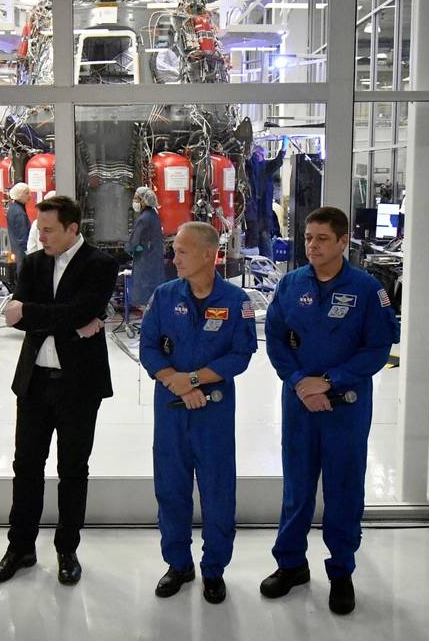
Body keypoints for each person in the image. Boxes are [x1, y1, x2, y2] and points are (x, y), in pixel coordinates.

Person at [261, 206, 398, 615]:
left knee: (343, 489)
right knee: (297, 488)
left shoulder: (367, 290)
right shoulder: (290, 286)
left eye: (322, 238)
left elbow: (377, 348)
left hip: (345, 406)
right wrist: (301, 382)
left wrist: (332, 380)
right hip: (300, 402)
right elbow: (275, 339)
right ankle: (291, 565)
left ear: (343, 242)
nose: (312, 245)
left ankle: (341, 571)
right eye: (308, 237)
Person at [0, 195, 119, 586]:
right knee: (25, 467)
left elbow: (70, 310)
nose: (39, 236)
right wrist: (70, 321)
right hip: (34, 382)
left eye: (47, 230)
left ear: (72, 229)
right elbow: (27, 320)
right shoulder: (34, 263)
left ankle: (67, 549)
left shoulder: (101, 264)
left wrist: (35, 313)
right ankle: (20, 548)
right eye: (38, 228)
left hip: (79, 385)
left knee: (72, 470)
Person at [139, 222, 257, 604]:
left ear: (209, 255)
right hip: (171, 411)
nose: (174, 258)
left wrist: (191, 380)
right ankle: (178, 564)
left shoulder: (238, 301)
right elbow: (149, 348)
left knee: (218, 491)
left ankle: (214, 569)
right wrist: (176, 381)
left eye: (183, 252)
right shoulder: (163, 296)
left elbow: (240, 355)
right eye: (175, 251)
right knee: (171, 489)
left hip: (214, 414)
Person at [124, 186, 165, 307]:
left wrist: (128, 248)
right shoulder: (154, 216)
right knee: (154, 298)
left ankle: (147, 324)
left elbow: (134, 243)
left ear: (143, 200)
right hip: (154, 260)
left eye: (136, 198)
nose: (134, 201)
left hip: (145, 262)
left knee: (144, 299)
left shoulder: (143, 219)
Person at [244, 142, 286, 258]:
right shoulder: (252, 167)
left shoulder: (267, 167)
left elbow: (278, 161)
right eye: (255, 153)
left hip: (263, 209)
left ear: (263, 155)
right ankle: (260, 266)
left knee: (264, 235)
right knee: (256, 232)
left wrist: (283, 148)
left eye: (259, 153)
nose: (257, 156)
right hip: (255, 208)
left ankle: (268, 265)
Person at [7, 182, 31, 270]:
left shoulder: (12, 208)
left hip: (16, 248)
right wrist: (28, 252)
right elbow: (22, 236)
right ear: (19, 194)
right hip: (21, 251)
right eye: (27, 193)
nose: (30, 196)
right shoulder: (19, 213)